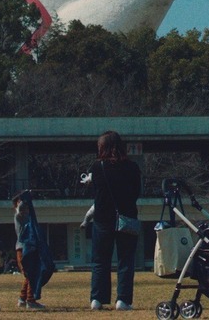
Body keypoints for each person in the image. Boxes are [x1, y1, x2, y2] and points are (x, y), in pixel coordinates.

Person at [89, 131, 141, 311]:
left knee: (100, 260)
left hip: (102, 219)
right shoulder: (132, 167)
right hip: (126, 218)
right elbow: (136, 193)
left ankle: (97, 298)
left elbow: (95, 193)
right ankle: (123, 300)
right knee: (125, 260)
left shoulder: (97, 167)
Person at [13, 192, 45, 310]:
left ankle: (22, 298)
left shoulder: (28, 217)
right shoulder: (19, 216)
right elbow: (20, 207)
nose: (26, 208)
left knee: (29, 274)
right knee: (31, 274)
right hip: (23, 248)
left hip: (27, 248)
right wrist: (24, 198)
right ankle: (30, 300)